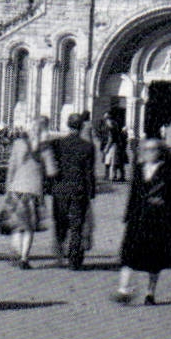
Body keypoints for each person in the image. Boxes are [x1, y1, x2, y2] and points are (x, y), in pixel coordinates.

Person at [113, 137, 171, 305]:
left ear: (160, 152)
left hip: (158, 219)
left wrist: (164, 200)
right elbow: (133, 193)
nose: (148, 153)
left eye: (153, 150)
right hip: (138, 217)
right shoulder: (138, 168)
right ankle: (123, 289)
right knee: (128, 254)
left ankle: (150, 293)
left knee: (155, 260)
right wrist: (127, 215)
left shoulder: (167, 170)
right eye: (146, 149)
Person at [0, 117, 54, 269]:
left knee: (17, 225)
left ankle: (15, 253)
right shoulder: (45, 148)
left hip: (17, 189)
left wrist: (8, 186)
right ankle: (24, 258)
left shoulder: (18, 144)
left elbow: (12, 167)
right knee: (29, 227)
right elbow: (51, 171)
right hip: (34, 191)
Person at [47, 112, 98, 269]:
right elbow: (89, 172)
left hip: (60, 189)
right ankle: (75, 259)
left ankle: (59, 253)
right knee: (77, 224)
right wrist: (92, 191)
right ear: (82, 127)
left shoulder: (57, 144)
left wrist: (49, 186)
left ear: (68, 125)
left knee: (60, 222)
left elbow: (52, 165)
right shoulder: (88, 147)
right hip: (79, 189)